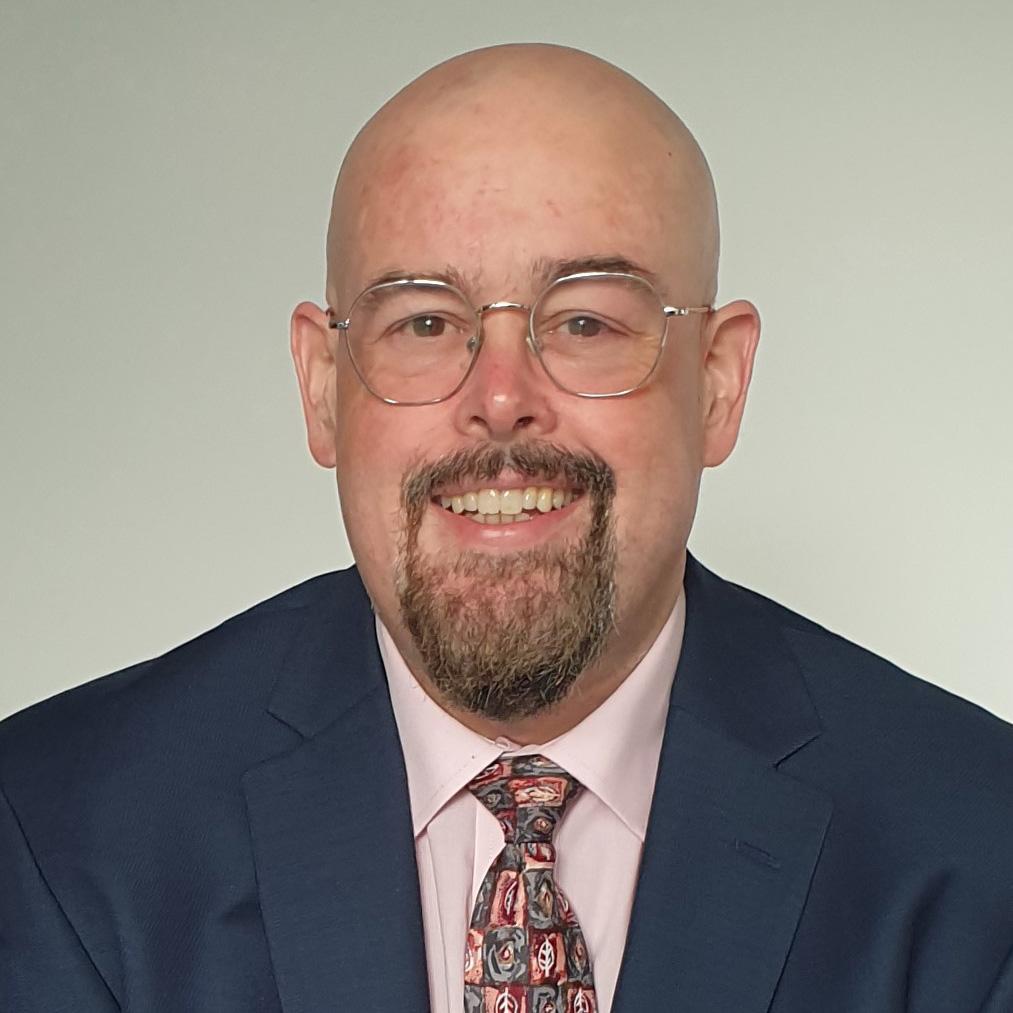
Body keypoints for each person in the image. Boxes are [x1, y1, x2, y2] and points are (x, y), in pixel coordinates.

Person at [1, 43, 1011, 1013]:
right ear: (321, 387)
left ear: (716, 383)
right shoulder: (59, 833)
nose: (498, 400)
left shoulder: (977, 847)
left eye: (584, 322)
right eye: (423, 322)